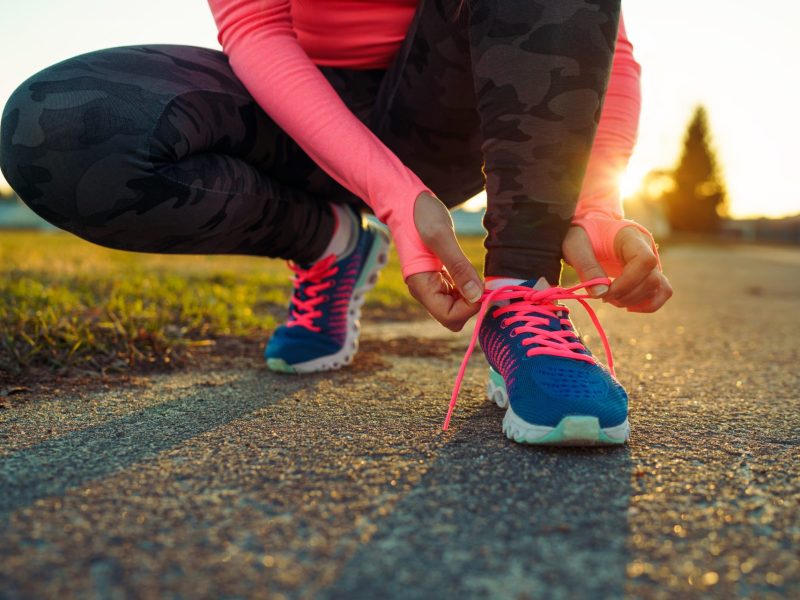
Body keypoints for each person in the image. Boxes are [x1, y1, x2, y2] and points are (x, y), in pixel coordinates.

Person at [0, 0, 671, 445]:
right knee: (61, 127)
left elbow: (605, 40)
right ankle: (328, 244)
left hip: (451, 115)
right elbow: (255, 27)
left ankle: (519, 291)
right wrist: (390, 197)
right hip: (298, 107)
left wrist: (592, 206)